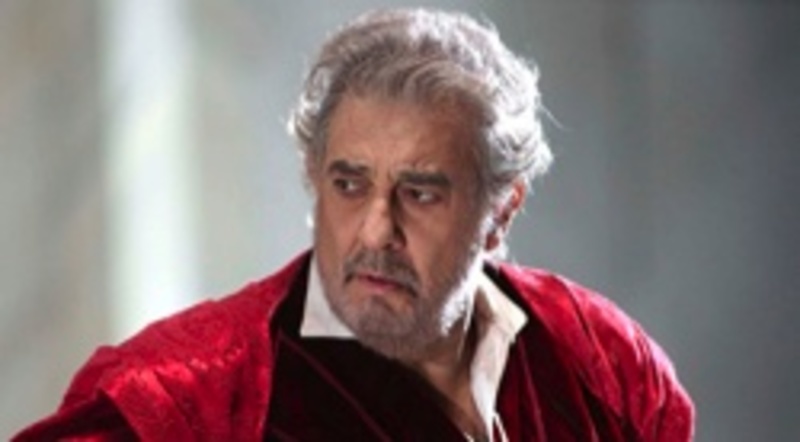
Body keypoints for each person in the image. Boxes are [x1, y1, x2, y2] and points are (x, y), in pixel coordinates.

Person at [14, 8, 694, 441]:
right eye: (349, 184)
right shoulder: (194, 396)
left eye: (419, 194)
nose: (375, 231)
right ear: (315, 179)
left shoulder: (601, 361)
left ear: (501, 210)